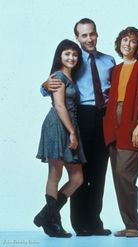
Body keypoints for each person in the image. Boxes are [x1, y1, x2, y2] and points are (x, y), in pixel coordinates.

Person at [41, 18, 115, 236]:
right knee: (80, 171)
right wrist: (44, 86)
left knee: (99, 172)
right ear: (77, 37)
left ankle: (94, 222)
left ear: (97, 34)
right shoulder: (73, 59)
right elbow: (56, 85)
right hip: (80, 116)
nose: (89, 38)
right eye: (84, 35)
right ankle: (80, 223)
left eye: (92, 34)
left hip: (103, 117)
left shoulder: (108, 60)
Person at [103, 27, 138, 237]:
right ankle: (129, 224)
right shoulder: (115, 70)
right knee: (117, 177)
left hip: (132, 122)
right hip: (112, 123)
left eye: (133, 42)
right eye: (125, 40)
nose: (128, 44)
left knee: (125, 175)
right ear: (119, 42)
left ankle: (133, 224)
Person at [34, 39, 86, 238]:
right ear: (59, 56)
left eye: (75, 54)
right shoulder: (57, 76)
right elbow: (59, 106)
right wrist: (72, 132)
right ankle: (53, 223)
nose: (72, 58)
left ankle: (46, 214)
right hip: (58, 125)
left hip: (69, 125)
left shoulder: (69, 76)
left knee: (77, 178)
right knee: (55, 174)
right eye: (67, 54)